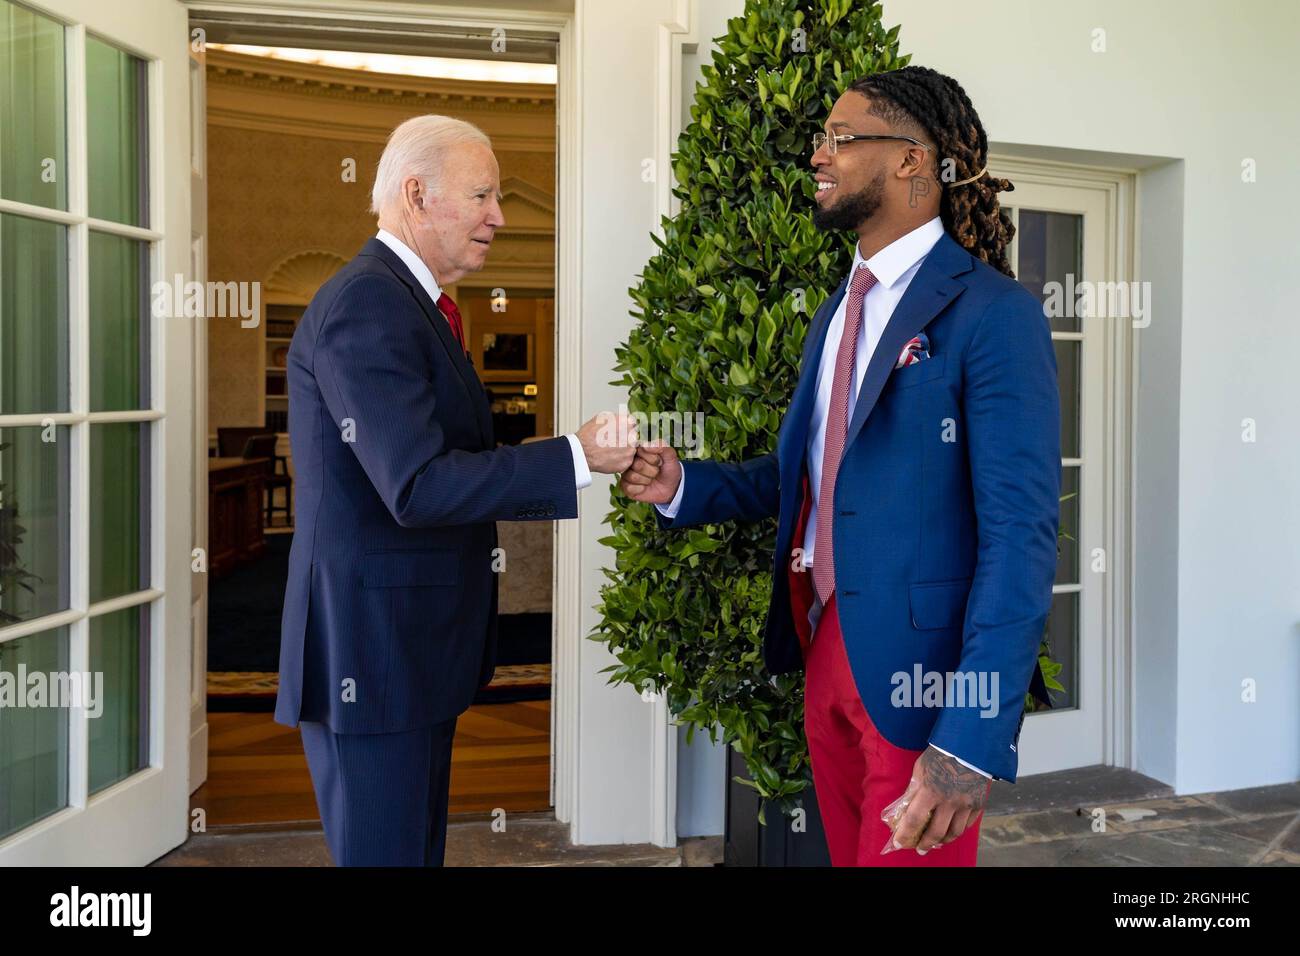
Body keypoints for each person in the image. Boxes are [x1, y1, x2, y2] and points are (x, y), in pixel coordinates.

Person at [622, 66, 1059, 866]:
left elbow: (1021, 539)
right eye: (820, 138)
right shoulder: (839, 309)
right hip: (826, 649)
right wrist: (681, 483)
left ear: (911, 162)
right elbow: (811, 477)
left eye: (840, 137)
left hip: (922, 687)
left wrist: (967, 741)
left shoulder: (996, 315)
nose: (817, 156)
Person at [275, 115, 636, 866]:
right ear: (415, 194)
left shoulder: (412, 303)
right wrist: (574, 455)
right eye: (482, 195)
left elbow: (446, 464)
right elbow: (417, 485)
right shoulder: (368, 305)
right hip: (374, 658)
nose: (499, 216)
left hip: (402, 649)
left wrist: (577, 461)